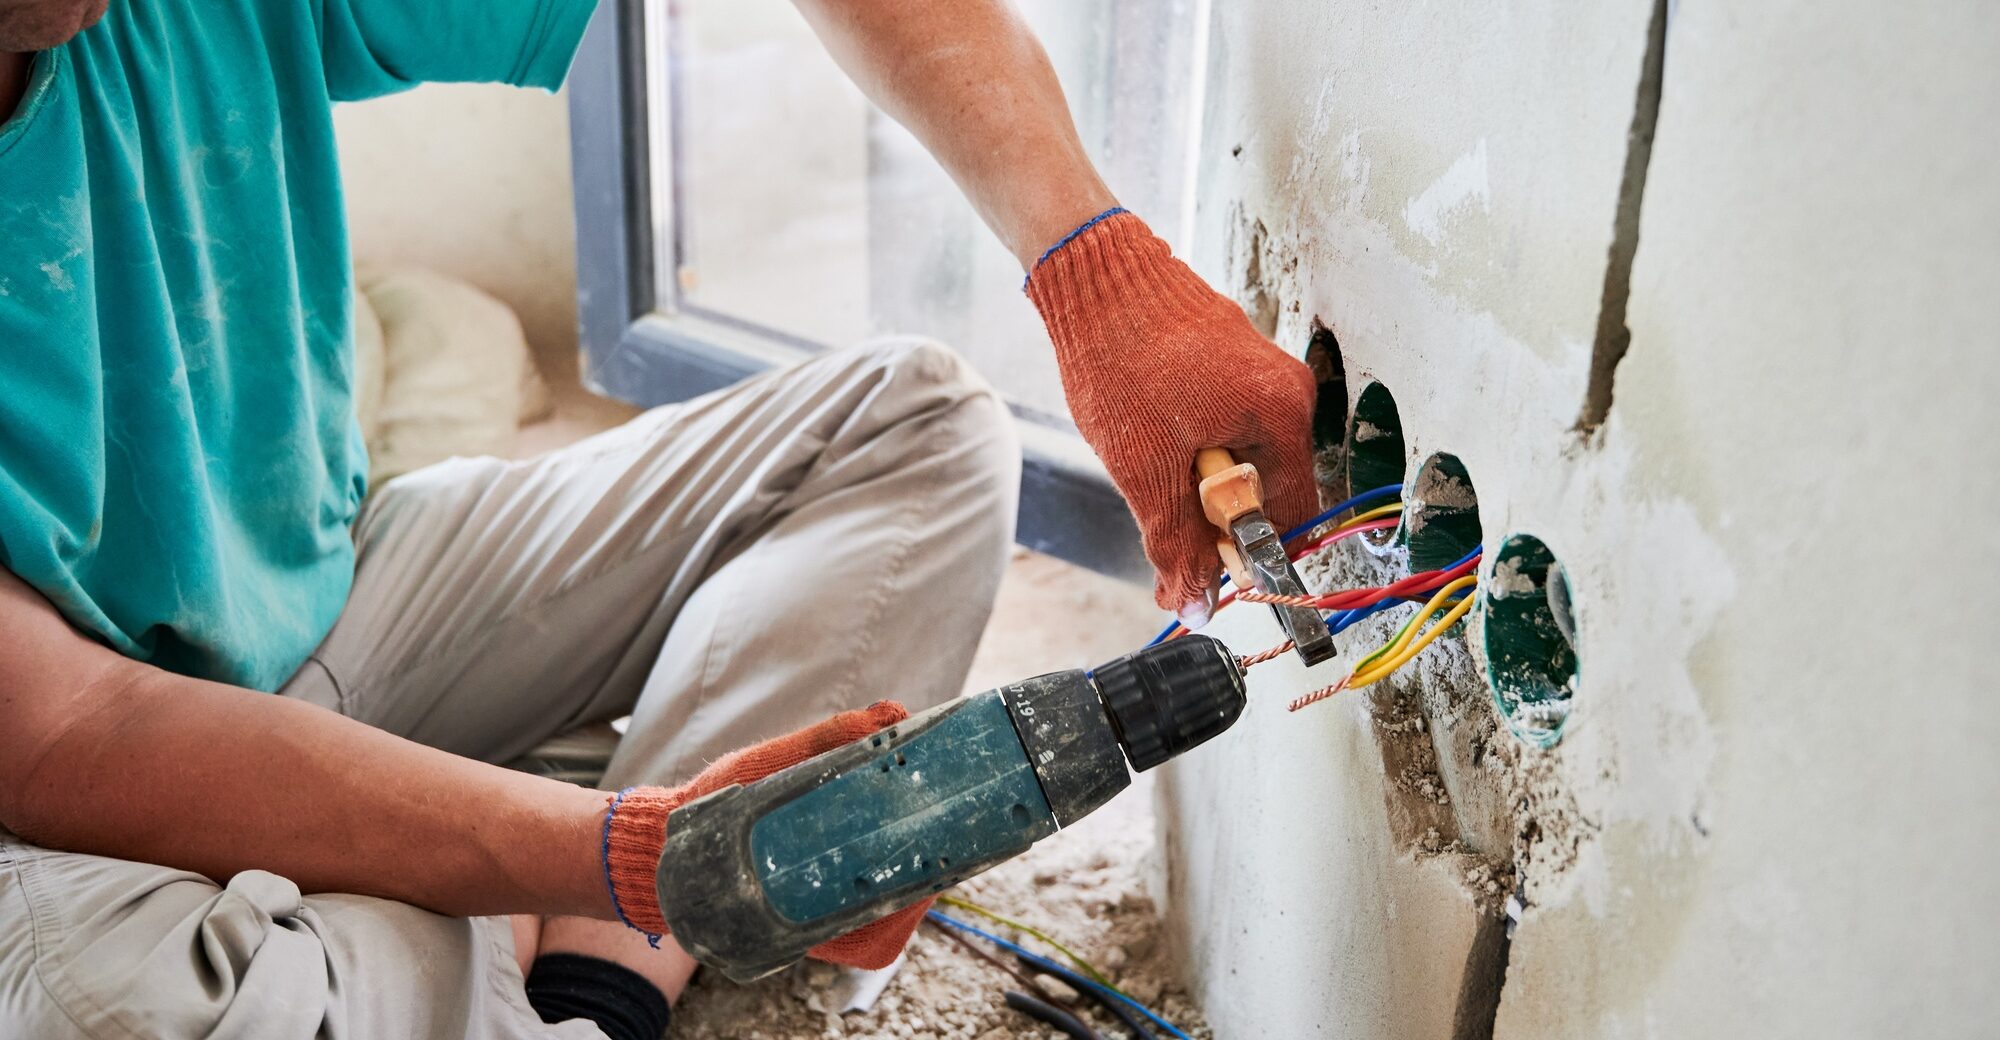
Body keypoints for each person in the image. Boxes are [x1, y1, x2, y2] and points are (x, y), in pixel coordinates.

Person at [0, 0, 1315, 1036]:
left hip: (329, 601)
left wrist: (1089, 266)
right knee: (108, 1003)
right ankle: (541, 922)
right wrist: (634, 855)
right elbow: (70, 732)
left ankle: (547, 944)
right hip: (62, 791)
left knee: (918, 425)